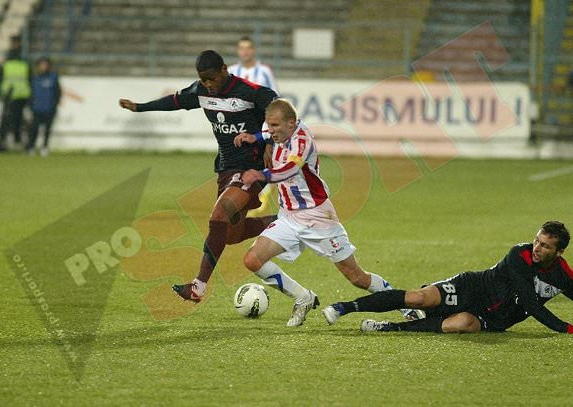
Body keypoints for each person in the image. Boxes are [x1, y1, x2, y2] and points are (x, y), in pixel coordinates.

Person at [238, 99, 423, 326]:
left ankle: (406, 306)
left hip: (318, 217)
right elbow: (267, 133)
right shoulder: (278, 129)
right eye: (269, 125)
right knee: (253, 259)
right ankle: (303, 297)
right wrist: (254, 137)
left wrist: (262, 175)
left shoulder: (302, 141)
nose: (271, 130)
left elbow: (290, 169)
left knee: (357, 277)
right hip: (288, 216)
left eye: (275, 126)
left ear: (291, 123)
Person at [119, 50, 278, 303]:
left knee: (218, 217)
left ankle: (198, 286)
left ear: (225, 69)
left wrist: (269, 139)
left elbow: (275, 104)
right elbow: (173, 101)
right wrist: (140, 108)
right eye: (203, 80)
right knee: (231, 234)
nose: (208, 84)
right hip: (226, 169)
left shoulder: (249, 91)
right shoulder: (201, 92)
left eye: (211, 78)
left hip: (251, 169)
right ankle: (287, 221)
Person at [322, 221, 573, 334]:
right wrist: (568, 328)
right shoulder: (521, 255)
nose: (536, 248)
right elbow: (530, 303)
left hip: (495, 318)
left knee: (460, 324)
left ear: (559, 252)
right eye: (536, 241)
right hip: (472, 287)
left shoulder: (562, 275)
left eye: (545, 246)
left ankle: (390, 327)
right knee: (420, 298)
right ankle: (344, 307)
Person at [228, 36, 278, 218]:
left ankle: (262, 194)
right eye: (241, 48)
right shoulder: (232, 71)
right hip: (238, 125)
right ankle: (242, 197)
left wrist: (270, 128)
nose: (245, 51)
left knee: (263, 159)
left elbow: (274, 99)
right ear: (238, 51)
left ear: (253, 50)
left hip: (259, 125)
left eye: (248, 48)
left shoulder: (263, 71)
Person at [0, 35, 31, 149]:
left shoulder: (20, 63)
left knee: (16, 121)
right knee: (10, 120)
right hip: (10, 96)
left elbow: (29, 80)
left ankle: (14, 141)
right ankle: (5, 141)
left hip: (20, 96)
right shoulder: (19, 63)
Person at [26, 57, 61, 156]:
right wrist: (30, 105)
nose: (43, 66)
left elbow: (57, 92)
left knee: (47, 130)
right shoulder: (35, 78)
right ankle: (31, 147)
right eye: (41, 64)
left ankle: (45, 147)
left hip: (49, 108)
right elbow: (31, 93)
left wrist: (54, 105)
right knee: (34, 129)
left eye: (45, 64)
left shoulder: (53, 77)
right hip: (37, 108)